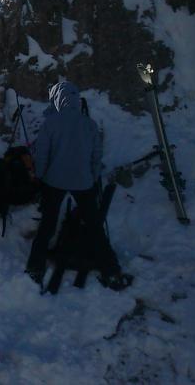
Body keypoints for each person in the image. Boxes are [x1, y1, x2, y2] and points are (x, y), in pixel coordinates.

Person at [25, 81, 130, 290]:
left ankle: (35, 267)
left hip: (54, 180)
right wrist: (92, 176)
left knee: (47, 225)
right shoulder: (89, 124)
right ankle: (111, 270)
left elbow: (42, 154)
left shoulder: (51, 123)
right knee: (94, 226)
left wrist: (40, 176)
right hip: (83, 182)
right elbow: (96, 155)